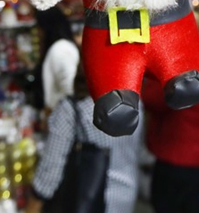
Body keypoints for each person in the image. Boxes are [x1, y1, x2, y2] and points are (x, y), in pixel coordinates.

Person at [27, 65, 141, 213]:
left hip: (87, 200)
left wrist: (34, 203)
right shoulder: (135, 103)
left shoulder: (73, 108)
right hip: (125, 196)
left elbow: (51, 168)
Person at [141, 13, 199, 213]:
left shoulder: (181, 70)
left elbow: (152, 99)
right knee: (190, 202)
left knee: (167, 203)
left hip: (178, 153)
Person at [32, 7, 81, 111]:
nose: (38, 33)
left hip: (62, 118)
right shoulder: (60, 48)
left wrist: (50, 111)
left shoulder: (61, 49)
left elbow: (70, 89)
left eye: (38, 27)